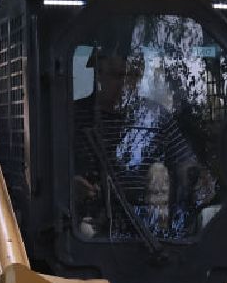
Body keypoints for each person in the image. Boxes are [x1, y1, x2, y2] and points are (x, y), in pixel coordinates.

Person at [70, 48, 201, 239]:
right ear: (99, 74)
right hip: (90, 232)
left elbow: (187, 166)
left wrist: (192, 180)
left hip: (147, 232)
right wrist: (72, 185)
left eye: (131, 75)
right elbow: (54, 172)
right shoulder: (74, 117)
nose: (124, 83)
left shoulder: (156, 117)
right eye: (116, 75)